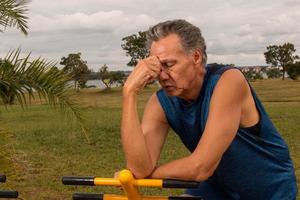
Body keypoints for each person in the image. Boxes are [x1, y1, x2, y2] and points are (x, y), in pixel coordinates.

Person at [121, 19, 297, 199]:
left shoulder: (228, 81)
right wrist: (129, 93)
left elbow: (200, 167)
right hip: (218, 187)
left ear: (196, 57)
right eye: (157, 67)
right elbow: (139, 167)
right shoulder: (160, 102)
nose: (162, 76)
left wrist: (146, 175)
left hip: (269, 190)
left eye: (169, 65)